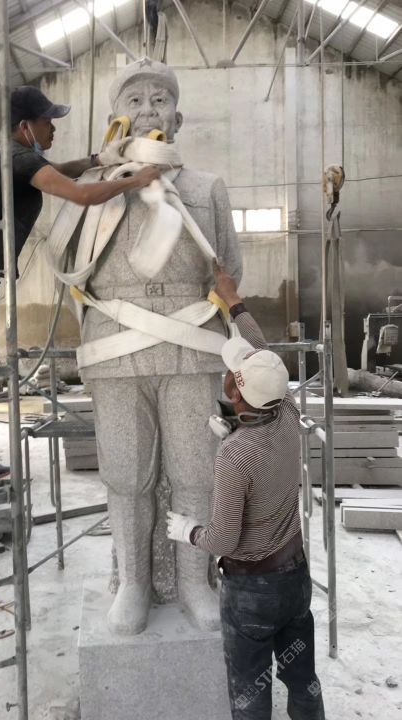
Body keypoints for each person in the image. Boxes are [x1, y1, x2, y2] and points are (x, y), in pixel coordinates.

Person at [44, 58, 242, 634]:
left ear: (178, 118)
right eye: (135, 100)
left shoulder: (206, 188)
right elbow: (73, 274)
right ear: (116, 117)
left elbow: (230, 268)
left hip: (190, 348)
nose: (149, 110)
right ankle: (134, 581)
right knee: (126, 473)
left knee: (195, 472)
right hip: (116, 350)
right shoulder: (94, 193)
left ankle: (194, 581)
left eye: (160, 99)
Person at [0, 85, 159, 476]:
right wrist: (136, 180)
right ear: (26, 126)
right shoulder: (18, 160)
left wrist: (97, 160)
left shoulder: (8, 156)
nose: (53, 129)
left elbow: (57, 171)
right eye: (47, 122)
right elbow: (81, 195)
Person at [167, 260, 325, 720]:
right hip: (295, 579)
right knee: (301, 676)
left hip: (253, 592)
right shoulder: (286, 408)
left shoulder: (235, 455)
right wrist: (232, 298)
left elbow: (223, 540)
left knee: (250, 691)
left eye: (233, 374)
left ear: (237, 395)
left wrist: (189, 531)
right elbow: (261, 352)